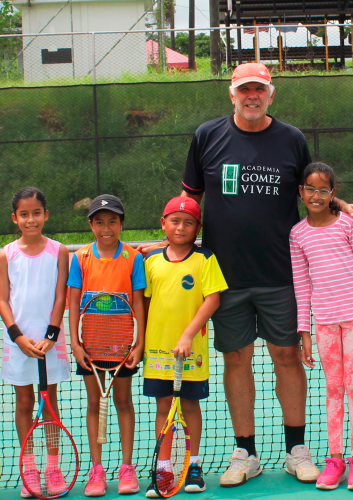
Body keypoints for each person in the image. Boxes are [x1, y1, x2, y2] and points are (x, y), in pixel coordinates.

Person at [169, 62, 353, 487]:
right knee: (236, 360)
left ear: (270, 94)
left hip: (281, 274)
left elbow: (315, 189)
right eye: (244, 89)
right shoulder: (207, 136)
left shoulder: (291, 139)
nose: (251, 96)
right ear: (232, 93)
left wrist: (341, 205)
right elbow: (188, 200)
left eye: (259, 89)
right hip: (224, 278)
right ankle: (246, 453)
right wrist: (172, 244)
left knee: (287, 357)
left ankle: (297, 451)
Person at [290, 163, 353, 492]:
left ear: (333, 195)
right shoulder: (297, 235)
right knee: (332, 388)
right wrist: (305, 333)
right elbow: (302, 286)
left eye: (323, 190)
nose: (315, 195)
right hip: (323, 324)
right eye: (310, 188)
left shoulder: (347, 226)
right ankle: (335, 458)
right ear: (301, 192)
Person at [142, 197, 227, 496]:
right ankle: (163, 468)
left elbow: (212, 299)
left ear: (197, 228)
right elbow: (147, 303)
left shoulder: (205, 259)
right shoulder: (150, 261)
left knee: (190, 406)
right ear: (163, 224)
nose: (181, 227)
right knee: (163, 407)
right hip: (157, 353)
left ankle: (193, 465)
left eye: (188, 222)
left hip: (191, 353)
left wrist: (188, 335)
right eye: (174, 221)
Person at [68, 195, 147, 497]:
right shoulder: (80, 257)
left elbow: (138, 302)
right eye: (99, 222)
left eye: (112, 221)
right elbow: (73, 303)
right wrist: (76, 343)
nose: (106, 227)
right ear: (91, 225)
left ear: (121, 224)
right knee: (93, 404)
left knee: (123, 403)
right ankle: (97, 469)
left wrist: (138, 344)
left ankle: (127, 468)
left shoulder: (132, 257)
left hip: (121, 346)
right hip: (90, 345)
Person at [0, 188, 69, 498]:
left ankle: (52, 468)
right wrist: (18, 337)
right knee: (23, 403)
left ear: (45, 215)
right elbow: (2, 299)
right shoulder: (6, 254)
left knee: (49, 404)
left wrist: (51, 335)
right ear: (15, 218)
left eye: (36, 212)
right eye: (24, 214)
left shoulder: (60, 251)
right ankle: (29, 468)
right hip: (18, 344)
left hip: (50, 342)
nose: (31, 219)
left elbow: (62, 294)